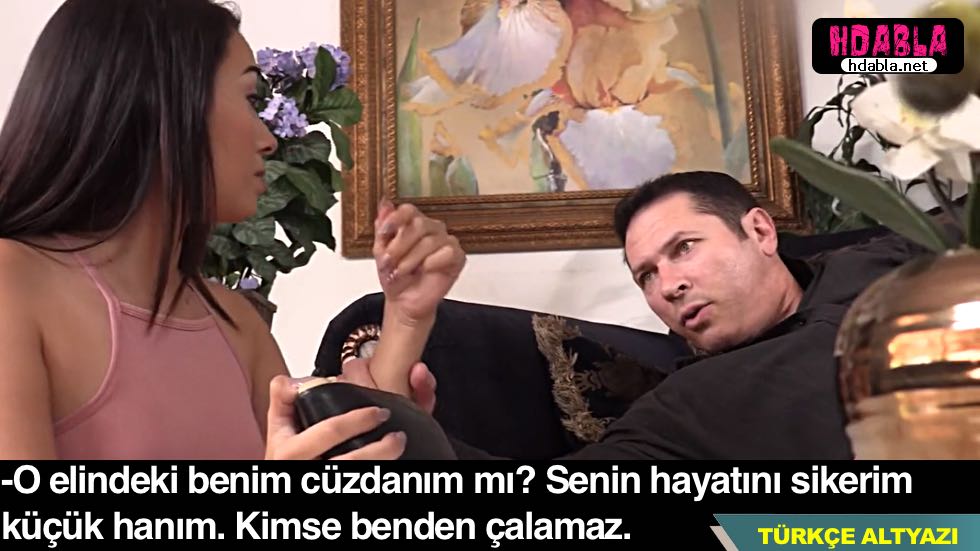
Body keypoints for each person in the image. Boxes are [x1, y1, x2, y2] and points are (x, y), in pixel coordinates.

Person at [0, 0, 463, 460]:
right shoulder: (13, 283)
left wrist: (406, 318)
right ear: (158, 101)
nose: (269, 140)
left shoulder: (236, 323)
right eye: (250, 99)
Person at [351, 171, 927, 459]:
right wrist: (408, 320)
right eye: (646, 275)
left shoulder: (896, 259)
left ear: (759, 230)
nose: (669, 286)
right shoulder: (687, 407)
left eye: (684, 248)